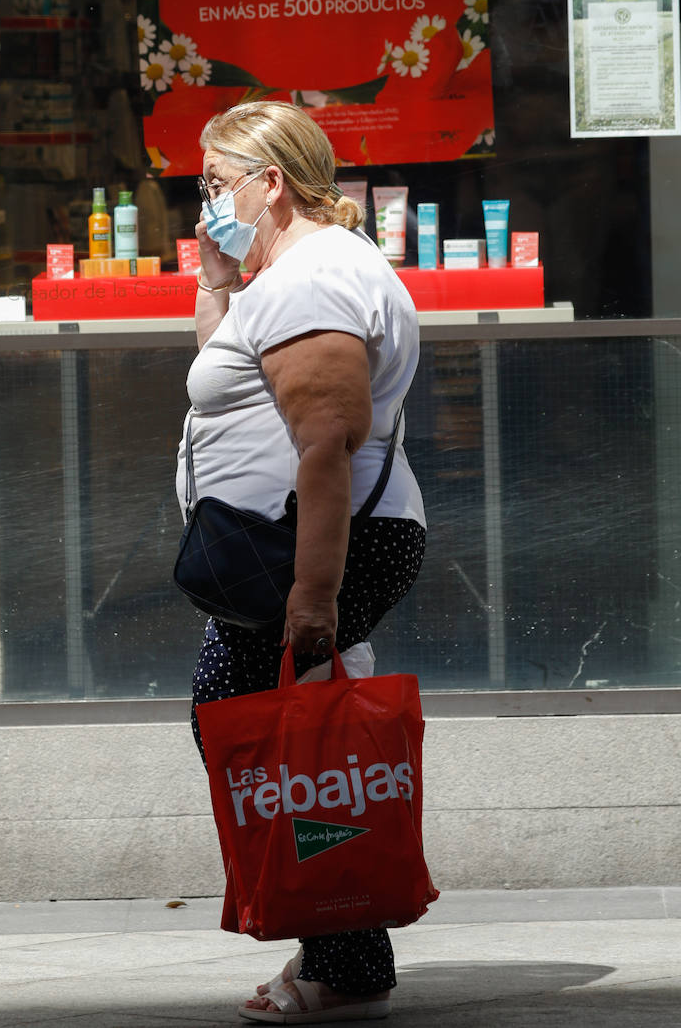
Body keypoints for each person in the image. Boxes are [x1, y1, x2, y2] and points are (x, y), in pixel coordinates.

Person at [176, 100, 426, 1024]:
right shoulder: (291, 273)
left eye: (216, 183)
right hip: (288, 545)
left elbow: (326, 443)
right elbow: (228, 381)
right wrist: (218, 278)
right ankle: (340, 944)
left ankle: (347, 959)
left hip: (308, 546)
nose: (206, 200)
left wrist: (314, 597)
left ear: (270, 182)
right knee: (287, 736)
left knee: (278, 740)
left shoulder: (315, 279)